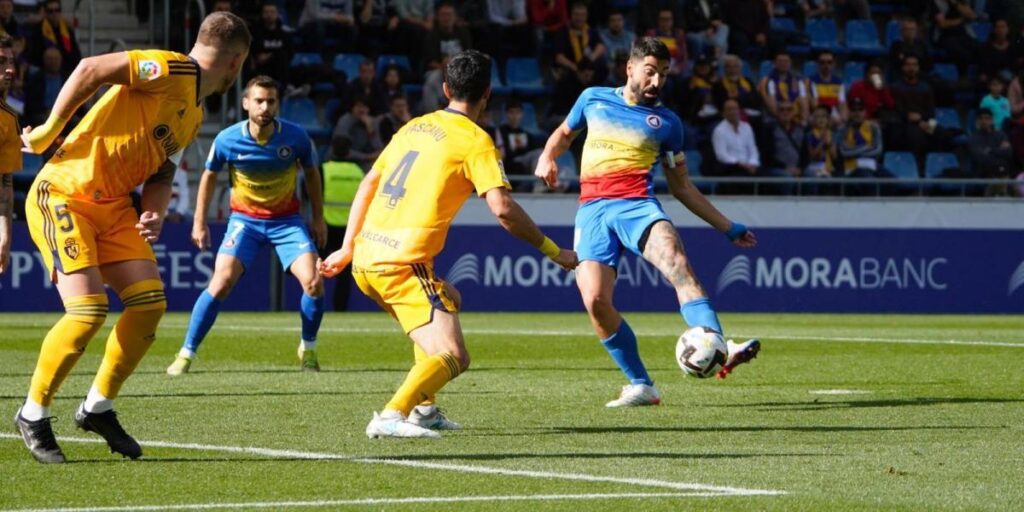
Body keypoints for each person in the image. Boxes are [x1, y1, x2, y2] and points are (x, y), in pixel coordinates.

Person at [14, 12, 250, 464]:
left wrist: (155, 213)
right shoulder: (171, 67)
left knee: (148, 305)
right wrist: (48, 130)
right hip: (64, 192)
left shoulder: (193, 112)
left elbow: (162, 172)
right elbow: (90, 69)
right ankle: (33, 412)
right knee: (88, 312)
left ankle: (97, 406)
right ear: (236, 63)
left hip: (116, 206)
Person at [319, 49, 578, 437]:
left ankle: (425, 410)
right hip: (400, 265)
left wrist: (348, 246)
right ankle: (392, 415)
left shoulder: (414, 127)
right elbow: (503, 209)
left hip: (368, 261)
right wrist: (554, 252)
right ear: (488, 93)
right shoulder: (476, 141)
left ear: (444, 89)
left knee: (449, 297)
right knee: (454, 355)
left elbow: (369, 183)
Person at [534, 38, 760, 408]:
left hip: (637, 205)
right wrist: (547, 157)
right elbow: (563, 134)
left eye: (664, 74)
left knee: (677, 262)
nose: (657, 81)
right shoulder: (592, 98)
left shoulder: (668, 123)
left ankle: (720, 341)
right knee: (595, 302)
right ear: (630, 68)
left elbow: (682, 187)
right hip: (592, 210)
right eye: (651, 71)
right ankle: (641, 385)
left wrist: (727, 226)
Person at [166, 76, 326, 376]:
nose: (265, 107)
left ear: (278, 103)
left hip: (286, 222)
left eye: (271, 101)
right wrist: (199, 221)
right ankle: (186, 353)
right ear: (245, 104)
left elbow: (313, 175)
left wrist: (318, 217)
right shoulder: (227, 139)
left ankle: (309, 348)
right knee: (221, 281)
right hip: (245, 222)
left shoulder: (296, 137)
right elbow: (209, 176)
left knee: (314, 283)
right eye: (259, 101)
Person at [320, 135, 365, 310]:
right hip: (349, 228)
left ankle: (314, 305)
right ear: (348, 152)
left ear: (332, 149)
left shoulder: (324, 170)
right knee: (344, 273)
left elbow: (311, 196)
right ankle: (340, 309)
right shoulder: (358, 171)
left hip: (325, 226)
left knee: (318, 269)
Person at [0, 35, 19, 277]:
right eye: (2, 61)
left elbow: (4, 182)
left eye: (11, 62)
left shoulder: (9, 120)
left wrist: (5, 236)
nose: (10, 69)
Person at [837, 97, 886, 189]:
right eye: (854, 110)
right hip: (852, 167)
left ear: (865, 112)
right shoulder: (843, 129)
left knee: (893, 182)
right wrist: (866, 147)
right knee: (869, 180)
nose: (857, 113)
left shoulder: (874, 127)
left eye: (860, 109)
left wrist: (853, 150)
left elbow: (878, 151)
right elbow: (843, 152)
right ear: (849, 112)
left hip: (871, 165)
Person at [968, 108, 1015, 195]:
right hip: (983, 171)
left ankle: (999, 193)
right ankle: (1003, 194)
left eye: (987, 118)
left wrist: (990, 150)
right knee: (1002, 167)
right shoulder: (973, 138)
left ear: (992, 120)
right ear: (977, 121)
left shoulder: (1000, 135)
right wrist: (999, 151)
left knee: (1003, 169)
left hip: (1000, 170)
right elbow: (980, 158)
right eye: (981, 118)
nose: (984, 121)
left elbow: (1008, 152)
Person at [28, 0, 80, 76]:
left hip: (65, 68)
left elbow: (75, 53)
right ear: (45, 13)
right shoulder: (38, 28)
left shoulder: (67, 29)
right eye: (50, 11)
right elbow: (34, 54)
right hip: (44, 69)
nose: (54, 14)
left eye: (57, 10)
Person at [249, 1, 293, 83]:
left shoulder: (284, 33)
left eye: (272, 12)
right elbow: (257, 55)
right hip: (263, 69)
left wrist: (270, 55)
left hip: (280, 68)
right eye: (266, 12)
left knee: (282, 59)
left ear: (277, 14)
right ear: (262, 14)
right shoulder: (256, 33)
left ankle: (286, 88)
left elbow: (289, 53)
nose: (269, 15)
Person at [760, 51, 808, 124]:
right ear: (774, 64)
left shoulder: (798, 80)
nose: (783, 64)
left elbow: (804, 103)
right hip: (777, 119)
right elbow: (773, 107)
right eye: (780, 61)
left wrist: (804, 120)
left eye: (786, 61)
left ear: (790, 63)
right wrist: (789, 120)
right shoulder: (767, 81)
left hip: (797, 118)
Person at [806, 50, 847, 124]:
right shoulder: (810, 81)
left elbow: (842, 104)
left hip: (834, 117)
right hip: (817, 116)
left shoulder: (839, 83)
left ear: (834, 64)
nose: (826, 65)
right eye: (822, 62)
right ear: (817, 64)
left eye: (829, 62)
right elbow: (815, 105)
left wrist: (843, 118)